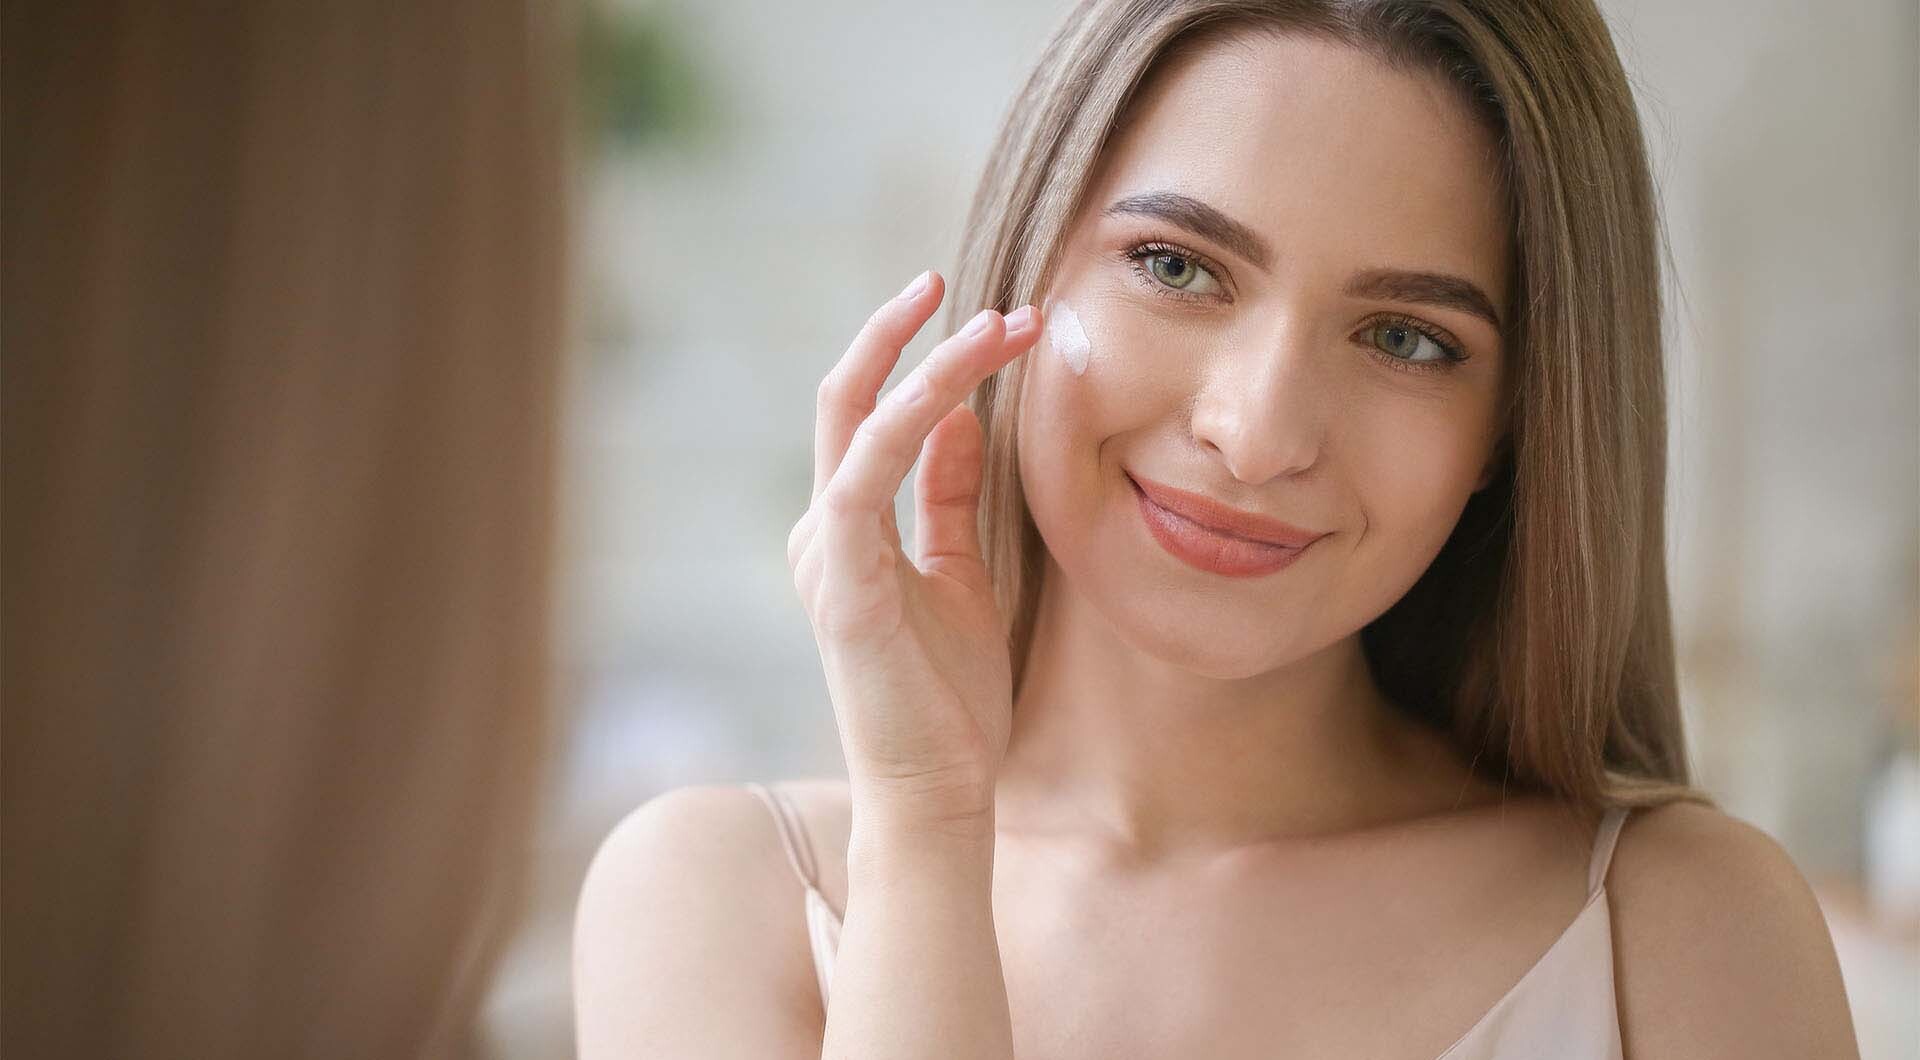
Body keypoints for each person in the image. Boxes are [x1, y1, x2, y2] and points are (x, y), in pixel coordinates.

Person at [574, 2, 1861, 1056]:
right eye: (1178, 267)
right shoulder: (715, 896)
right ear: (1023, 265)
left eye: (1407, 338)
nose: (1256, 433)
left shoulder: (1679, 933)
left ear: (1514, 432)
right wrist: (924, 825)